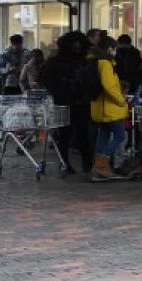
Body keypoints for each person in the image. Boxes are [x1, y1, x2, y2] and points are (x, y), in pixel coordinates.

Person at [40, 31, 90, 175]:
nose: (77, 46)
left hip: (79, 102)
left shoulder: (84, 60)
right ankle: (66, 162)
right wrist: (60, 91)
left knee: (80, 133)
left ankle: (84, 162)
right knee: (66, 134)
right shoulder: (57, 62)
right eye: (74, 44)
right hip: (65, 102)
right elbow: (47, 80)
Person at [87, 35, 130, 182]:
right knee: (119, 136)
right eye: (114, 49)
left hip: (99, 107)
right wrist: (121, 101)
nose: (115, 52)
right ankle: (102, 165)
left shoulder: (94, 61)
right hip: (109, 108)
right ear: (109, 49)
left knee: (103, 136)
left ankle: (98, 166)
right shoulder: (105, 63)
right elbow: (109, 86)